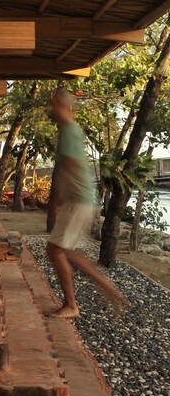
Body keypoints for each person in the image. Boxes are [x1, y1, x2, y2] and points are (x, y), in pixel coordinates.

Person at [46, 89, 127, 318]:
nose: (53, 109)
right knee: (65, 251)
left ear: (66, 106)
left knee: (55, 250)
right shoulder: (68, 131)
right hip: (79, 199)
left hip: (78, 199)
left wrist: (57, 200)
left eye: (56, 105)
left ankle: (72, 305)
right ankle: (107, 288)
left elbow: (69, 166)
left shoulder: (70, 131)